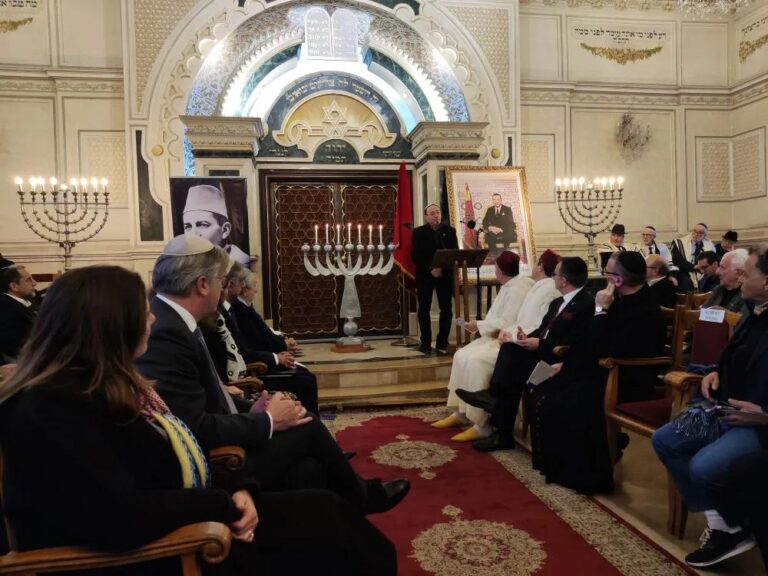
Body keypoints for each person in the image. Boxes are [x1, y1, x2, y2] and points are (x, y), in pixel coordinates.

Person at [0, 265, 397, 576]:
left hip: (186, 520)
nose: (151, 319)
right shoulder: (50, 408)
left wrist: (236, 488)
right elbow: (115, 516)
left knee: (327, 508)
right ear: (110, 325)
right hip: (163, 553)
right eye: (142, 312)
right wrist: (223, 503)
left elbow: (169, 456)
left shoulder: (99, 384)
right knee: (332, 537)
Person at [135, 235, 409, 513]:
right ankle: (364, 498)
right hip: (216, 463)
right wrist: (267, 420)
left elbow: (205, 398)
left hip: (222, 440)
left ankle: (339, 514)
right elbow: (195, 426)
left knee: (309, 467)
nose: (223, 288)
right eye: (220, 280)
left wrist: (252, 408)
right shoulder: (167, 332)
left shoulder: (175, 320)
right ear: (203, 284)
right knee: (308, 425)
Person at [652, 243, 768, 568]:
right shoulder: (755, 310)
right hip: (725, 408)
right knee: (665, 440)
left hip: (758, 423)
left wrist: (765, 416)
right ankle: (726, 526)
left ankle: (734, 522)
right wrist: (717, 372)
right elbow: (736, 353)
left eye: (747, 273)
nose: (740, 278)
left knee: (703, 467)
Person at [526, 251, 666, 493]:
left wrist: (600, 310)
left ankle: (586, 474)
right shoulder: (618, 300)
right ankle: (558, 466)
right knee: (544, 388)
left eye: (608, 273)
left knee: (566, 400)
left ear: (618, 280)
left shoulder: (645, 308)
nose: (605, 277)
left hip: (625, 377)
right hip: (602, 369)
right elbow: (589, 340)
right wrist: (567, 364)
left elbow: (609, 347)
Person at [456, 257, 595, 452]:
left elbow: (575, 343)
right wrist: (526, 338)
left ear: (564, 281)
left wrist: (540, 344)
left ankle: (500, 426)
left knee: (512, 374)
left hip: (559, 362)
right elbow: (543, 329)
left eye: (555, 274)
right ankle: (495, 405)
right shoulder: (558, 302)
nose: (552, 277)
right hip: (542, 352)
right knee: (510, 349)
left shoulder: (585, 304)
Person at [432, 251, 533, 442]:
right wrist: (479, 325)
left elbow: (508, 321)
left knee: (476, 362)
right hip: (494, 336)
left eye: (495, 269)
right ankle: (460, 413)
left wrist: (478, 325)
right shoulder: (509, 285)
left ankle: (482, 424)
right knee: (460, 355)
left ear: (500, 271)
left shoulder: (517, 289)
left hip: (506, 339)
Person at [411, 203, 459, 354]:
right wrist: (431, 269)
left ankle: (442, 342)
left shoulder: (449, 231)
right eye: (432, 213)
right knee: (424, 309)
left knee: (446, 310)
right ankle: (425, 342)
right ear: (426, 217)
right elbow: (415, 256)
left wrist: (441, 268)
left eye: (438, 212)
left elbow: (454, 253)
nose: (436, 215)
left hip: (444, 276)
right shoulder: (418, 232)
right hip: (425, 276)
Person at [183, 184, 251, 266]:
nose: (193, 234)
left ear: (225, 230)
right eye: (188, 227)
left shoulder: (239, 264)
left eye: (203, 225)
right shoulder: (191, 261)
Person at [0, 264, 37, 364]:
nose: (35, 283)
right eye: (28, 280)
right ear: (14, 286)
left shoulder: (22, 301)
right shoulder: (6, 309)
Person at [671, 223, 716, 293]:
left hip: (703, 270)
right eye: (694, 231)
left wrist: (703, 268)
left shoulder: (709, 245)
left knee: (711, 280)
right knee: (686, 281)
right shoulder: (679, 243)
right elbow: (677, 260)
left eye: (700, 232)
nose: (696, 234)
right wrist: (693, 267)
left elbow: (713, 260)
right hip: (685, 270)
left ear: (705, 235)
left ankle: (705, 298)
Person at [703, 248, 749, 315]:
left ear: (738, 272)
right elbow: (701, 315)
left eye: (722, 267)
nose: (717, 272)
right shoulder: (718, 289)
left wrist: (724, 314)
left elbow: (743, 320)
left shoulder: (748, 296)